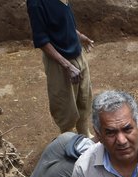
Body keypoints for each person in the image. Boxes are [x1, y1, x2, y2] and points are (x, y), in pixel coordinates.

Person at [26, 0, 94, 136]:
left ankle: (84, 133)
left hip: (77, 52)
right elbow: (42, 41)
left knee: (84, 97)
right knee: (65, 105)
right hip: (59, 62)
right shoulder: (36, 3)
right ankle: (67, 139)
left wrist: (79, 36)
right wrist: (67, 65)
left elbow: (63, 23)